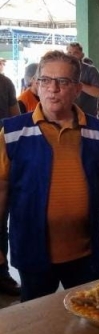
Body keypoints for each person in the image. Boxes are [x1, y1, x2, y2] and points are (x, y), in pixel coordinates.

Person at [0, 50, 99, 302]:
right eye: (45, 80)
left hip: (85, 254)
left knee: (88, 316)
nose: (53, 89)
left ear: (77, 88)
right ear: (35, 84)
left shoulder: (95, 130)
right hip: (32, 252)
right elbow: (1, 189)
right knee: (37, 321)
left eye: (63, 82)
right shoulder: (13, 132)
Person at [0, 58, 20, 296]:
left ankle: (1, 272)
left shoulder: (5, 83)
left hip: (2, 157)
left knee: (1, 217)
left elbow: (15, 119)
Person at [66, 42, 99, 118]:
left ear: (82, 55)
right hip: (67, 116)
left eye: (75, 53)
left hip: (87, 117)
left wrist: (79, 85)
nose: (71, 55)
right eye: (69, 52)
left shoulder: (90, 70)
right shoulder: (62, 70)